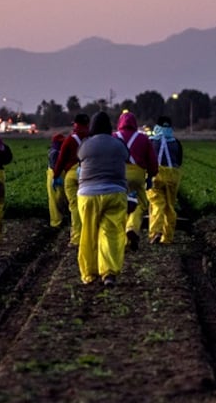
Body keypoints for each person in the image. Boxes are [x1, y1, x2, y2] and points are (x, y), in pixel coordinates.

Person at [76, 111, 130, 287]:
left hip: (87, 194)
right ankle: (109, 273)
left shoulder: (85, 145)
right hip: (115, 192)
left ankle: (89, 274)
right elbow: (126, 157)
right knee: (111, 233)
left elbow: (79, 159)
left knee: (88, 234)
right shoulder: (118, 144)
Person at [114, 112, 158, 251]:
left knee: (120, 204)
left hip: (118, 174)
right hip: (137, 175)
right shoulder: (143, 138)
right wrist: (150, 176)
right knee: (139, 203)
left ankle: (121, 239)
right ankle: (132, 227)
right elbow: (152, 161)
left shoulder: (114, 137)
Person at [52, 113, 91, 246]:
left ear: (76, 124)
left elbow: (61, 160)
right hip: (87, 174)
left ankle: (76, 238)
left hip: (72, 175)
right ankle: (89, 236)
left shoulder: (69, 140)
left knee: (74, 207)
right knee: (88, 206)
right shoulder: (91, 138)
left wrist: (56, 176)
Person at [146, 116, 182, 244]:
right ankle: (167, 238)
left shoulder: (151, 141)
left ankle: (156, 231)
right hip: (173, 176)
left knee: (157, 203)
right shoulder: (176, 142)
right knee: (170, 207)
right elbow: (179, 161)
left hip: (156, 175)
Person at [46, 132, 68, 228]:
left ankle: (60, 219)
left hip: (59, 175)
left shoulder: (57, 151)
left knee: (60, 198)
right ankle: (56, 221)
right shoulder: (54, 152)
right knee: (55, 199)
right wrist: (56, 176)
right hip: (55, 175)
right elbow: (54, 165)